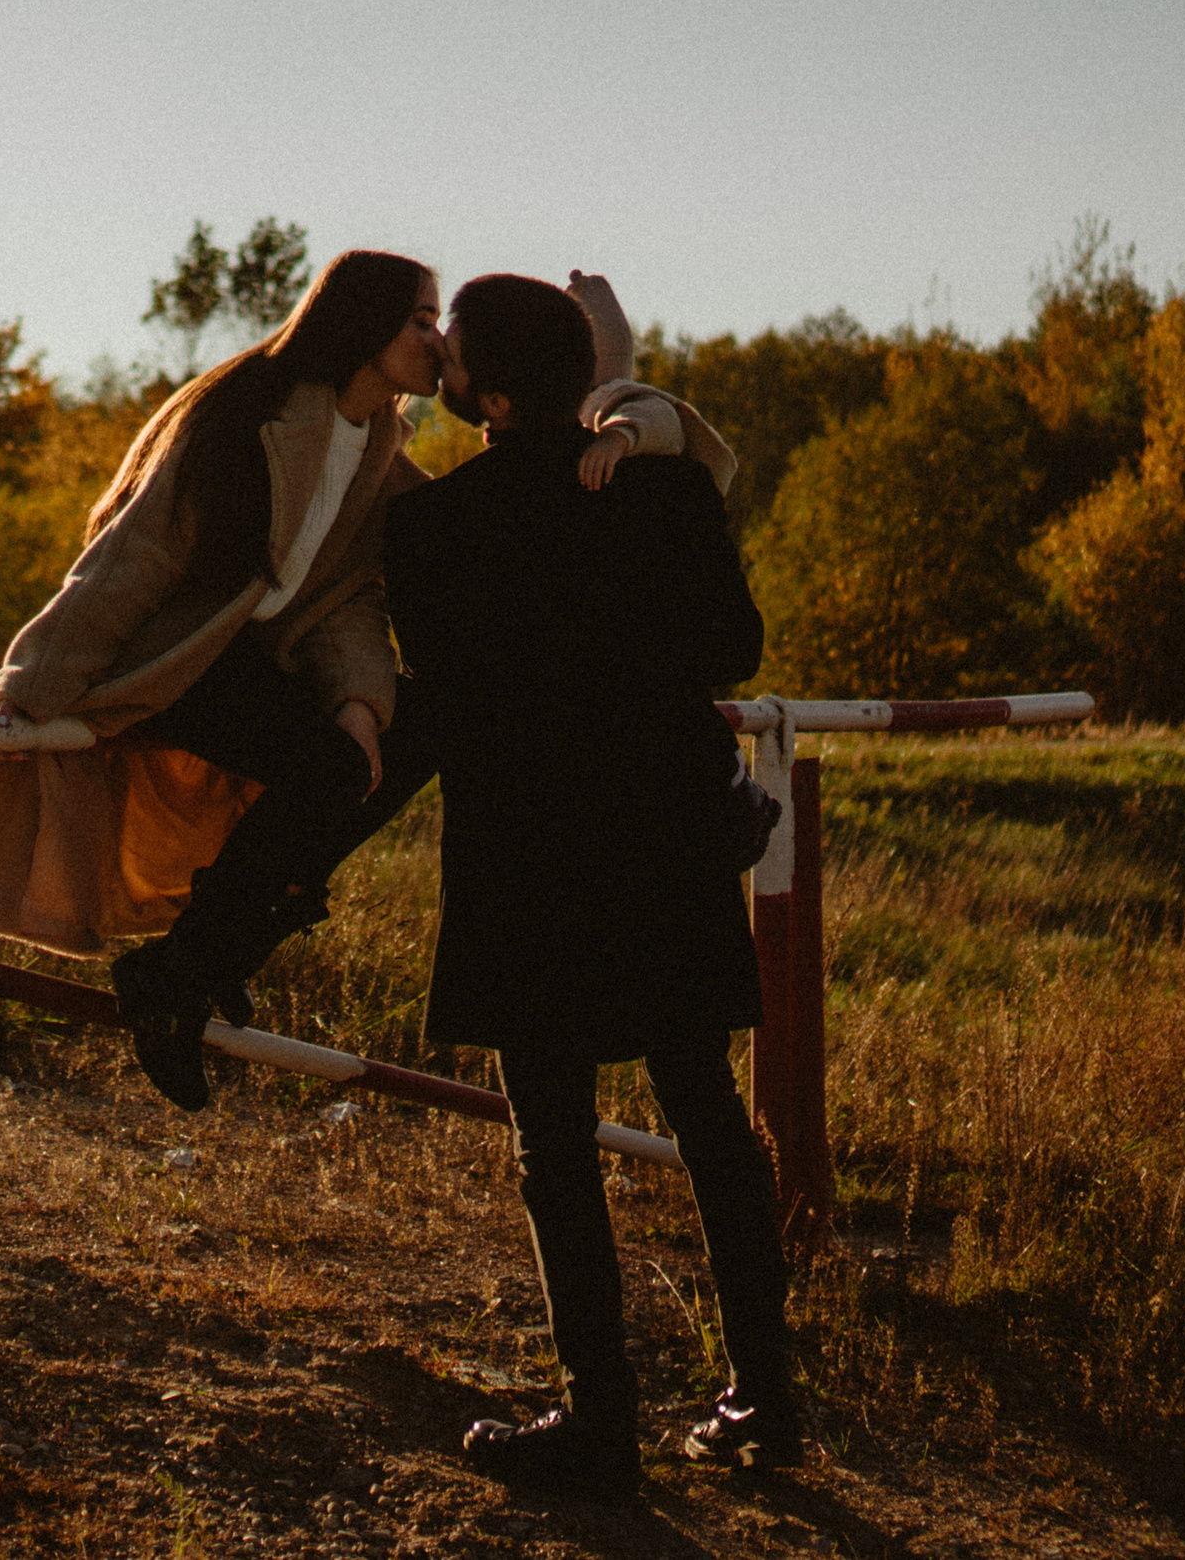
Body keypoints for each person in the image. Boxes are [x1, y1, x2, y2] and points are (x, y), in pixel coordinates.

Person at [0, 252, 687, 1112]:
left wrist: (358, 703)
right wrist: (31, 678)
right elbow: (135, 554)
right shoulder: (248, 413)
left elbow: (348, 599)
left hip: (251, 663)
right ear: (364, 325)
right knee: (326, 769)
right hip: (172, 657)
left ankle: (211, 951)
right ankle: (187, 966)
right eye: (420, 321)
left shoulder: (380, 453)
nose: (437, 342)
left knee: (406, 732)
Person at [383, 273, 798, 1496]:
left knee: (553, 1143)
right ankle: (764, 1398)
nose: (440, 367)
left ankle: (598, 1419)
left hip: (529, 859)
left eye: (454, 357)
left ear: (495, 400)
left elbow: (445, 691)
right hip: (666, 840)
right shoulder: (663, 492)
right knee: (708, 1117)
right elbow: (733, 649)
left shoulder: (435, 527)